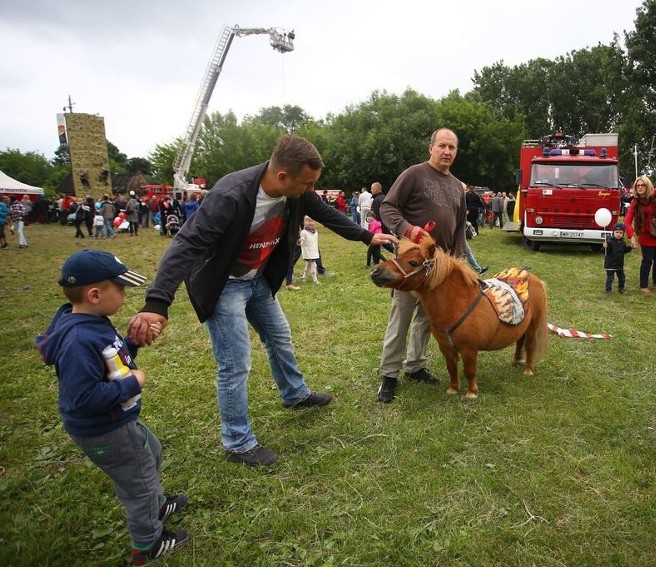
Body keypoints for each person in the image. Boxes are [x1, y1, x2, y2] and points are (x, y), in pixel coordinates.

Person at [127, 135, 396, 466]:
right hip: (224, 284)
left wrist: (367, 236)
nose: (310, 190)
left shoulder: (297, 193)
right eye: (307, 183)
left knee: (279, 336)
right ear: (283, 176)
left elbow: (325, 212)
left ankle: (294, 395)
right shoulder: (231, 195)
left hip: (256, 281)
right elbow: (187, 244)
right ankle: (237, 443)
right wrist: (157, 302)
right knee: (235, 362)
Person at [35, 250, 189, 565]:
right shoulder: (79, 340)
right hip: (107, 428)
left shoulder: (93, 321)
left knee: (153, 453)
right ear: (94, 294)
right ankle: (147, 544)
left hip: (119, 420)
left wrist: (132, 343)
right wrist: (134, 382)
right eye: (119, 289)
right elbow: (85, 398)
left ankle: (157, 505)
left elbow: (108, 358)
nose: (124, 294)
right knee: (139, 483)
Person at [376, 127, 467, 404]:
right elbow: (388, 207)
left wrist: (460, 263)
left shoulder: (457, 187)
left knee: (428, 321)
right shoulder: (414, 174)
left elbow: (460, 228)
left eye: (452, 147)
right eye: (442, 145)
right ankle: (389, 375)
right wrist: (407, 229)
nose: (447, 151)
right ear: (431, 148)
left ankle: (415, 365)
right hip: (411, 265)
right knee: (401, 318)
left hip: (439, 269)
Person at [602, 222, 631, 294]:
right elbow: (605, 251)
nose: (618, 234)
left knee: (622, 278)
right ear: (613, 232)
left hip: (619, 264)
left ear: (623, 233)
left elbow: (623, 251)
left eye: (621, 232)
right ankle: (608, 290)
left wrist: (630, 247)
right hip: (610, 264)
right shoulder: (609, 242)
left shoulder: (623, 242)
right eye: (617, 232)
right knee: (610, 278)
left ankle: (621, 288)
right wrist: (605, 247)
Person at [298, 216, 320, 283]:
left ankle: (304, 276)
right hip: (308, 252)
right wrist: (301, 242)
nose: (310, 222)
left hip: (314, 251)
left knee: (308, 265)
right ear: (304, 223)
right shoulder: (304, 232)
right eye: (308, 221)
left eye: (312, 221)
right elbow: (302, 239)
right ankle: (315, 279)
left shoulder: (315, 232)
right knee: (314, 265)